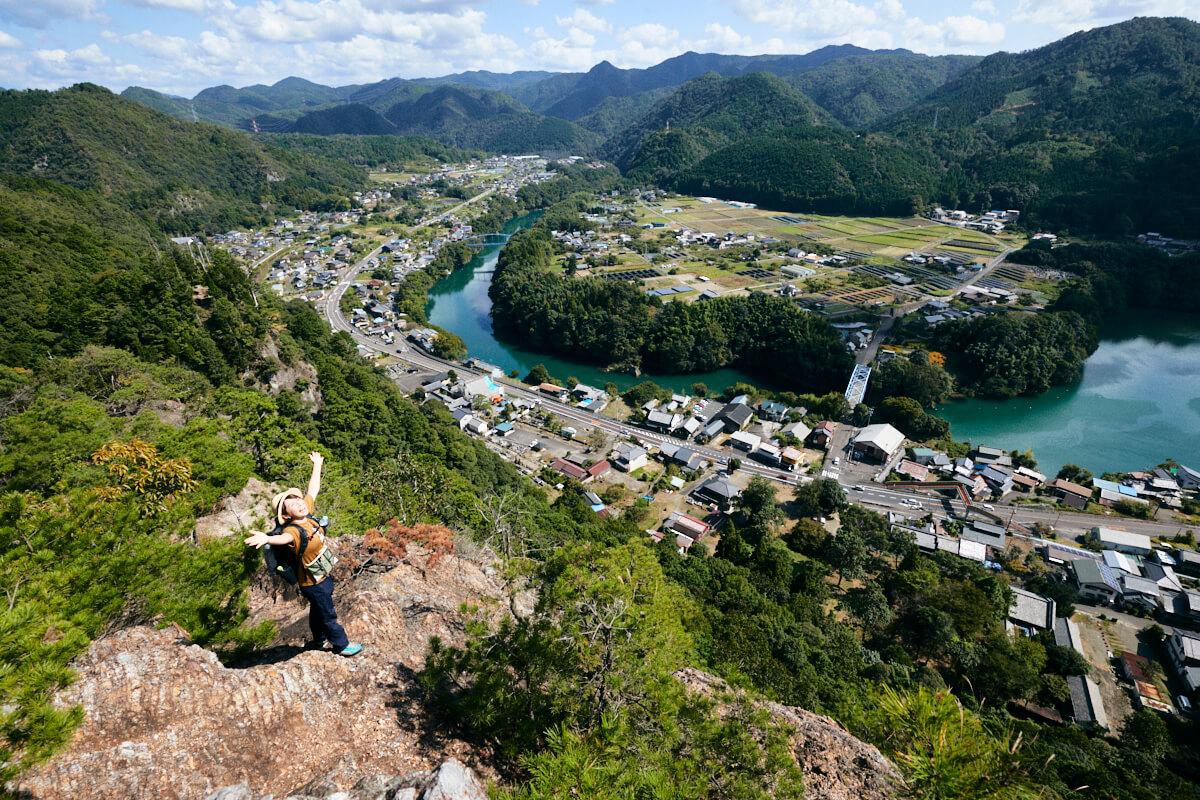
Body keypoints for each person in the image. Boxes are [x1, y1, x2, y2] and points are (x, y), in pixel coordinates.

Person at [244, 452, 363, 657]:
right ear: (286, 515)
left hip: (322, 575)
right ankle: (341, 645)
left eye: (298, 500)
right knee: (327, 613)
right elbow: (283, 540)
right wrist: (267, 538)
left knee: (318, 609)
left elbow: (313, 489)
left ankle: (318, 639)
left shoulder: (306, 513)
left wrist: (317, 464)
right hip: (311, 582)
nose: (299, 503)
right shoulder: (292, 530)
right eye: (292, 504)